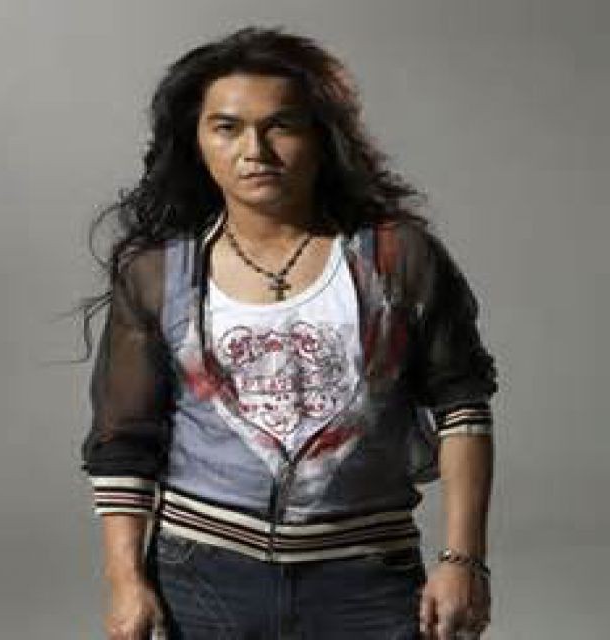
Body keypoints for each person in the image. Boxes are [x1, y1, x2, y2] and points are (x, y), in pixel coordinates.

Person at [78, 25, 498, 640]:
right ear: (196, 140)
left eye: (281, 126)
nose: (255, 150)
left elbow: (463, 407)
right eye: (227, 127)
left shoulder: (396, 257)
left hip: (367, 576)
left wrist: (464, 560)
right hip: (202, 578)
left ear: (322, 136)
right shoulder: (158, 273)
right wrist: (125, 581)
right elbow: (124, 442)